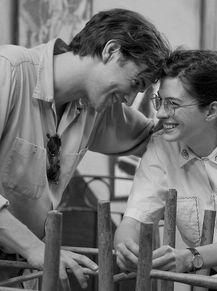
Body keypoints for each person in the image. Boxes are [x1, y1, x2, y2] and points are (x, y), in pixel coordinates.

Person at [0, 8, 170, 290]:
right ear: (111, 51)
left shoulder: (95, 107)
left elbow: (159, 139)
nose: (128, 101)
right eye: (135, 84)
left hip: (19, 272)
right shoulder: (9, 71)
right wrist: (35, 249)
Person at [114, 49, 217, 278]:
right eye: (160, 101)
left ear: (211, 110)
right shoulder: (162, 147)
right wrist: (126, 248)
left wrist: (192, 257)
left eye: (173, 104)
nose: (159, 114)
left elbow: (192, 258)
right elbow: (135, 219)